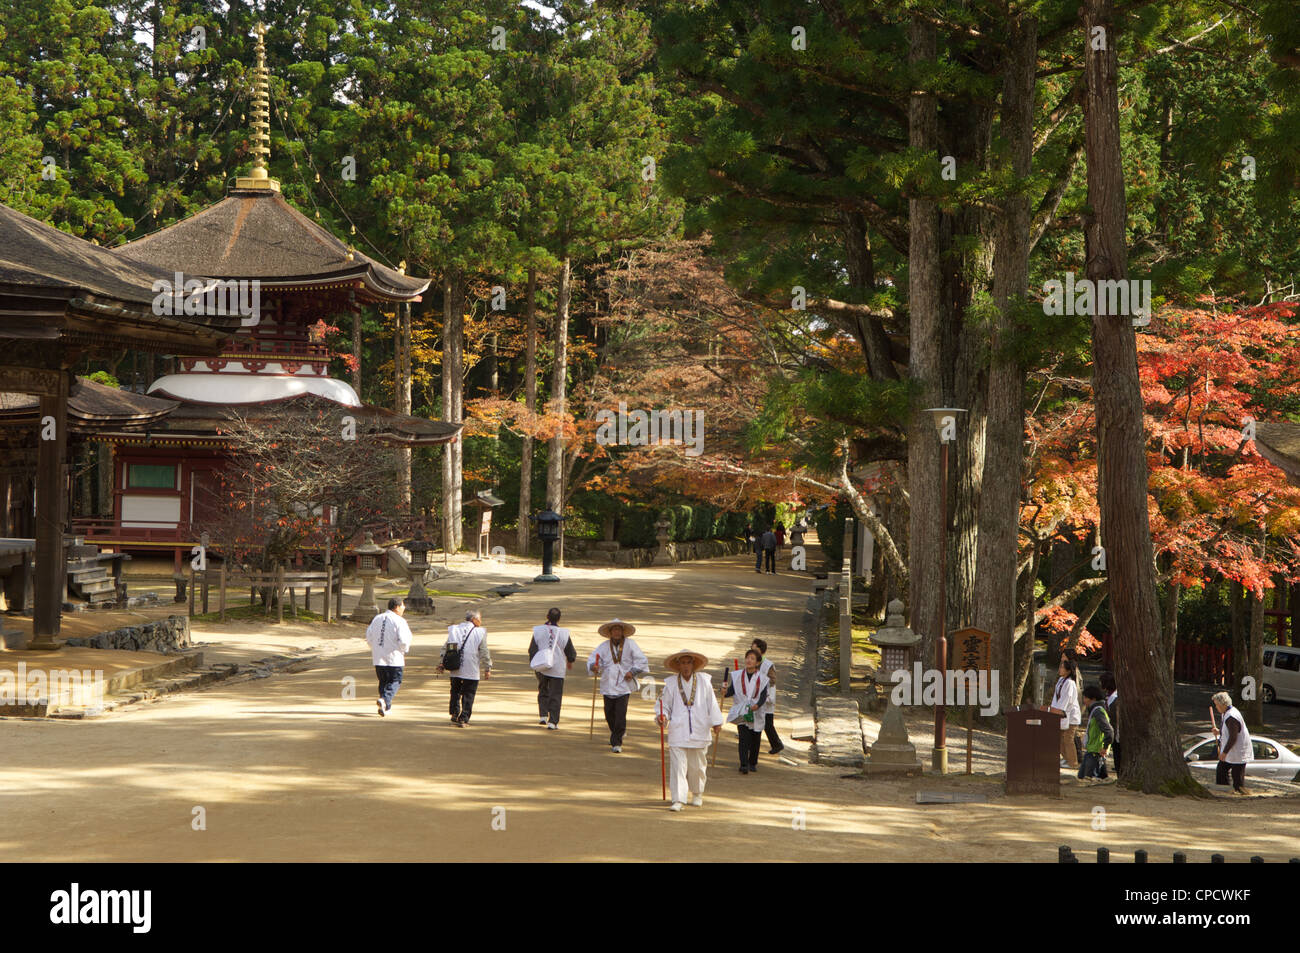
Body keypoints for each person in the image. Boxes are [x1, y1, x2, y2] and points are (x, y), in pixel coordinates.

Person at [656, 649, 724, 812]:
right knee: (678, 766)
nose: (686, 666)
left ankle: (697, 793)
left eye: (689, 663)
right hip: (678, 729)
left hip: (700, 728)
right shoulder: (671, 683)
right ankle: (678, 798)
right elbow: (664, 705)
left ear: (694, 664)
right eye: (683, 663)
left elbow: (712, 703)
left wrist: (716, 722)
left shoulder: (704, 681)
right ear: (678, 665)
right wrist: (662, 716)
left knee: (697, 766)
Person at [587, 618, 649, 753]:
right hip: (608, 683)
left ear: (622, 632)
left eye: (618, 629)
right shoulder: (603, 646)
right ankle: (616, 732)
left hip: (623, 684)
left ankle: (617, 742)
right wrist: (594, 667)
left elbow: (642, 660)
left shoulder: (631, 644)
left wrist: (632, 672)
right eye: (614, 629)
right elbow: (593, 659)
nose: (616, 632)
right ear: (610, 632)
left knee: (621, 714)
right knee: (609, 713)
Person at [437, 609, 491, 726]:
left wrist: (441, 662)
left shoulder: (454, 629)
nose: (480, 622)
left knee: (455, 691)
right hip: (471, 668)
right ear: (474, 619)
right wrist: (487, 667)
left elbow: (446, 647)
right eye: (480, 619)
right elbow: (484, 651)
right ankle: (464, 718)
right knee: (469, 693)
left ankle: (455, 713)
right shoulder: (480, 632)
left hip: (455, 666)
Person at [529, 607, 576, 729]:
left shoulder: (538, 630)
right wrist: (570, 660)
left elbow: (532, 649)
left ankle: (543, 715)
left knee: (543, 689)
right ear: (559, 619)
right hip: (558, 667)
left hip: (541, 665)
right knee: (556, 693)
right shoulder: (564, 633)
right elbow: (569, 650)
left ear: (547, 616)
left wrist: (534, 662)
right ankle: (553, 721)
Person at [724, 649, 770, 774]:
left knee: (755, 737)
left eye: (752, 659)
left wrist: (758, 705)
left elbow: (763, 695)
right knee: (743, 737)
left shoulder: (763, 679)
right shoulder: (737, 675)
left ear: (757, 662)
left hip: (756, 711)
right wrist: (724, 692)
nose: (749, 660)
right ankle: (743, 763)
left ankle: (752, 762)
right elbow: (731, 690)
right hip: (742, 710)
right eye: (748, 658)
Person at [366, 596, 413, 717]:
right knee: (395, 680)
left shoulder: (377, 618)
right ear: (397, 607)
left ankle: (386, 707)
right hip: (394, 657)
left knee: (383, 681)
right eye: (402, 606)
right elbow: (404, 641)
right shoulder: (399, 621)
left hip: (379, 657)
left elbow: (369, 637)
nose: (404, 608)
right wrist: (403, 650)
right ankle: (385, 700)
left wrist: (376, 648)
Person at [1212, 691, 1253, 795]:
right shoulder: (1225, 713)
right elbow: (1227, 731)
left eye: (1217, 704)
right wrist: (1219, 731)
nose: (1216, 707)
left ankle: (1240, 792)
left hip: (1238, 751)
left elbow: (1233, 737)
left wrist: (1224, 752)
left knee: (1237, 776)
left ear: (1223, 704)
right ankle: (1223, 789)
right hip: (1231, 750)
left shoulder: (1232, 717)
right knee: (1221, 769)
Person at [751, 637, 785, 755]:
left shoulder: (768, 665)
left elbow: (772, 680)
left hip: (767, 697)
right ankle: (776, 744)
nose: (752, 652)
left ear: (761, 650)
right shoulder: (753, 662)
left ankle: (777, 743)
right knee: (766, 722)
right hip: (758, 696)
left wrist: (760, 685)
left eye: (755, 649)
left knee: (767, 722)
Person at [1049, 656, 1081, 769]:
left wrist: (1057, 712)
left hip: (1070, 716)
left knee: (1068, 740)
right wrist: (1052, 710)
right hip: (1060, 713)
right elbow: (1056, 699)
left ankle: (1073, 763)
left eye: (1062, 667)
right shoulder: (1061, 681)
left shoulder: (1070, 683)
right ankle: (1067, 760)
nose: (1060, 669)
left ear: (1068, 670)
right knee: (1059, 740)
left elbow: (1066, 700)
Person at [1078, 685, 1114, 780]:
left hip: (1096, 752)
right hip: (1092, 750)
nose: (1084, 701)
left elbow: (1109, 731)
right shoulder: (1095, 710)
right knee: (1084, 777)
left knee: (1088, 779)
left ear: (1093, 699)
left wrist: (1105, 747)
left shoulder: (1098, 712)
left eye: (1085, 698)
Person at [1100, 671, 1119, 773]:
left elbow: (1115, 719)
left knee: (1117, 750)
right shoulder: (1108, 696)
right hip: (1111, 729)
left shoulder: (1116, 699)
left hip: (1116, 731)